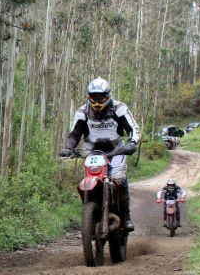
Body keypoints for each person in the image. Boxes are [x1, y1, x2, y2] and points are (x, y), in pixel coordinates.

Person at [59, 77, 141, 232]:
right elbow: (75, 134)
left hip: (116, 149)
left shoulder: (119, 108)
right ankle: (89, 216)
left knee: (119, 178)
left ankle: (126, 217)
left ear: (108, 95)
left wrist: (132, 142)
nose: (97, 101)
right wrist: (69, 149)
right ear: (89, 95)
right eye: (93, 96)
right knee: (90, 179)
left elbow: (133, 128)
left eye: (100, 96)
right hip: (92, 151)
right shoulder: (82, 111)